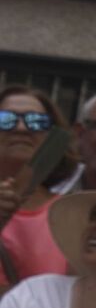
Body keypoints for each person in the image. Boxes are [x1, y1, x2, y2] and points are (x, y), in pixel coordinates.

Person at [0, 86, 76, 292]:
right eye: (5, 119)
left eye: (36, 121)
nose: (22, 128)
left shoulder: (71, 214)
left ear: (52, 136)